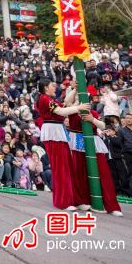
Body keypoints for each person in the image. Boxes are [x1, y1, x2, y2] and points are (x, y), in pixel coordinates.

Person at [36, 78, 90, 210]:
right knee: (61, 168)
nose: (55, 88)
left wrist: (75, 90)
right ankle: (63, 201)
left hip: (59, 130)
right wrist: (79, 107)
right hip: (53, 131)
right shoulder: (44, 99)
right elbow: (60, 112)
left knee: (68, 166)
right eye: (52, 86)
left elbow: (65, 104)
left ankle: (75, 199)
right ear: (45, 88)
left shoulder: (50, 99)